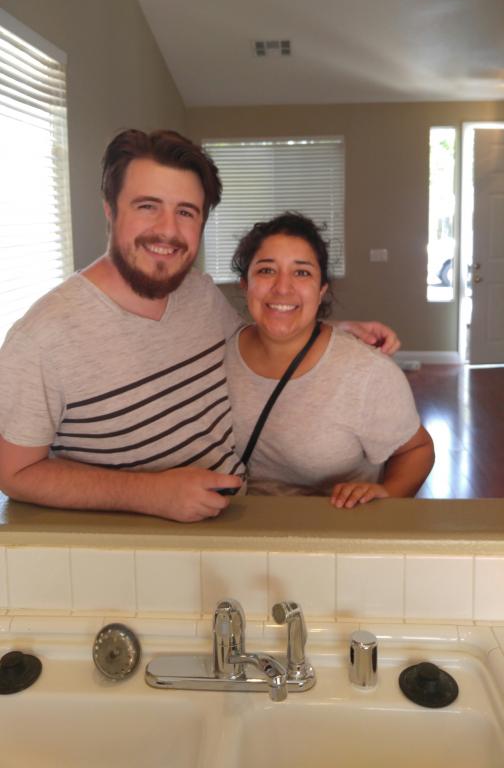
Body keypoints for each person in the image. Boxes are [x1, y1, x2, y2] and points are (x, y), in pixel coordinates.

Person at [0, 130, 400, 523]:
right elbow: (14, 473)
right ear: (110, 209)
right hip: (138, 550)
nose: (168, 230)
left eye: (186, 212)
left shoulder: (198, 292)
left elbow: (256, 337)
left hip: (237, 521)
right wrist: (148, 493)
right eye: (147, 206)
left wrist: (324, 329)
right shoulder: (41, 339)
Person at [226, 212, 434, 507]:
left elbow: (417, 450)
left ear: (321, 290)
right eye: (266, 270)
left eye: (302, 273)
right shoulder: (218, 352)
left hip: (333, 528)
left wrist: (389, 493)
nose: (282, 287)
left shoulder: (367, 372)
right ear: (245, 284)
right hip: (236, 526)